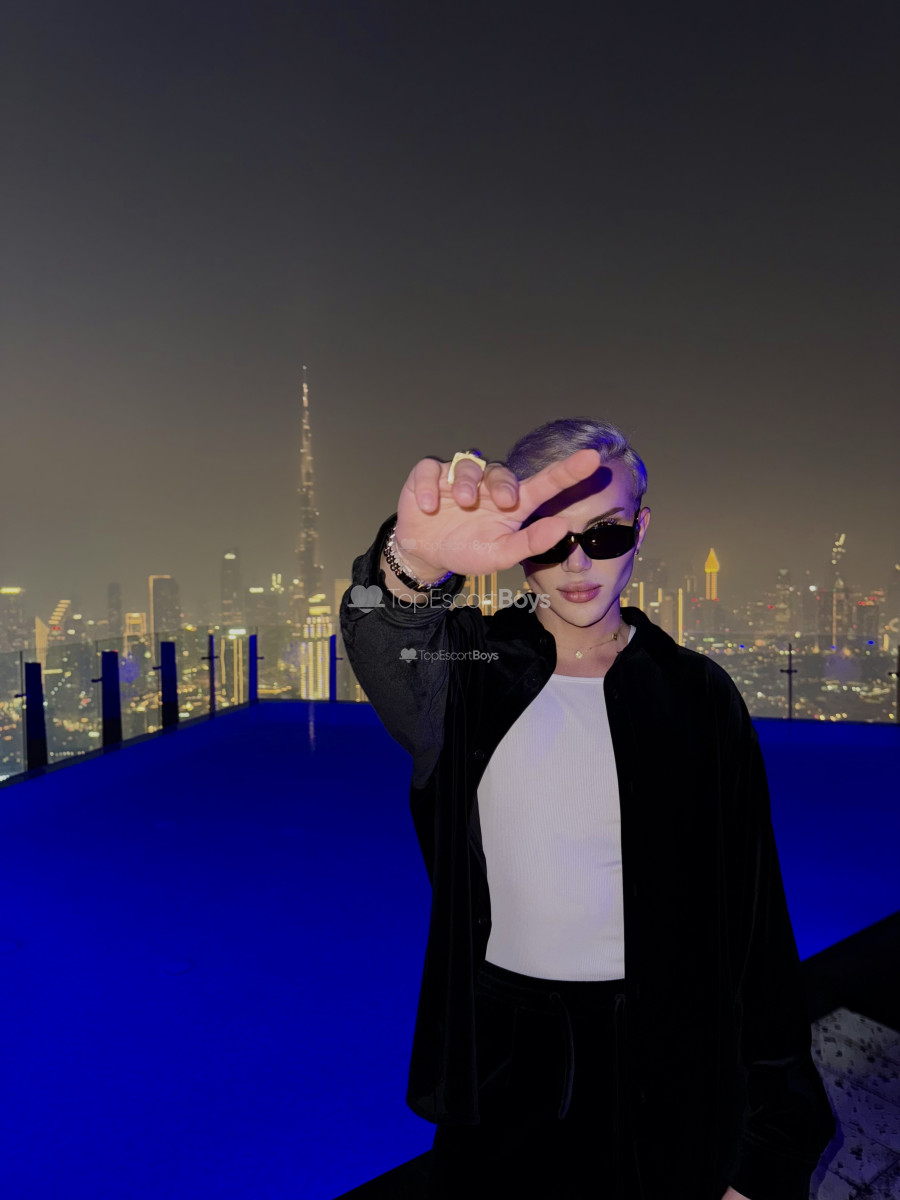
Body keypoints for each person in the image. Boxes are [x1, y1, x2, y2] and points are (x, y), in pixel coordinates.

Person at [339, 418, 836, 1200]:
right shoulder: (469, 670)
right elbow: (383, 634)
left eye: (603, 535)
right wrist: (413, 565)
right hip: (503, 1063)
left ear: (642, 529)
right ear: (517, 540)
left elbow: (754, 925)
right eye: (549, 536)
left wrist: (767, 1145)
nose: (576, 563)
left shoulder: (698, 696)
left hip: (671, 1066)